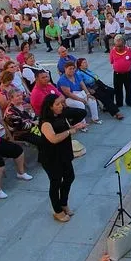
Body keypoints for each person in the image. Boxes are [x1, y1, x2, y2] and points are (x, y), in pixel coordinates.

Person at [38, 94, 88, 222]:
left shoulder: (61, 116)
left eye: (61, 103)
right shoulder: (46, 123)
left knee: (69, 177)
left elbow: (66, 129)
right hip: (51, 157)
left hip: (64, 153)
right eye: (57, 104)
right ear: (50, 107)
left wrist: (75, 127)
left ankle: (63, 203)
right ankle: (57, 210)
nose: (61, 106)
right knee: (55, 182)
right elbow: (53, 138)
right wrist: (69, 132)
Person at [109, 35, 131, 108]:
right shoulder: (113, 51)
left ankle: (129, 101)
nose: (118, 48)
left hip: (128, 73)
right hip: (117, 74)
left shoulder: (129, 50)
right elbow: (111, 61)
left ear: (124, 44)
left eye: (120, 46)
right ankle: (119, 102)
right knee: (118, 88)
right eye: (117, 46)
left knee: (128, 88)